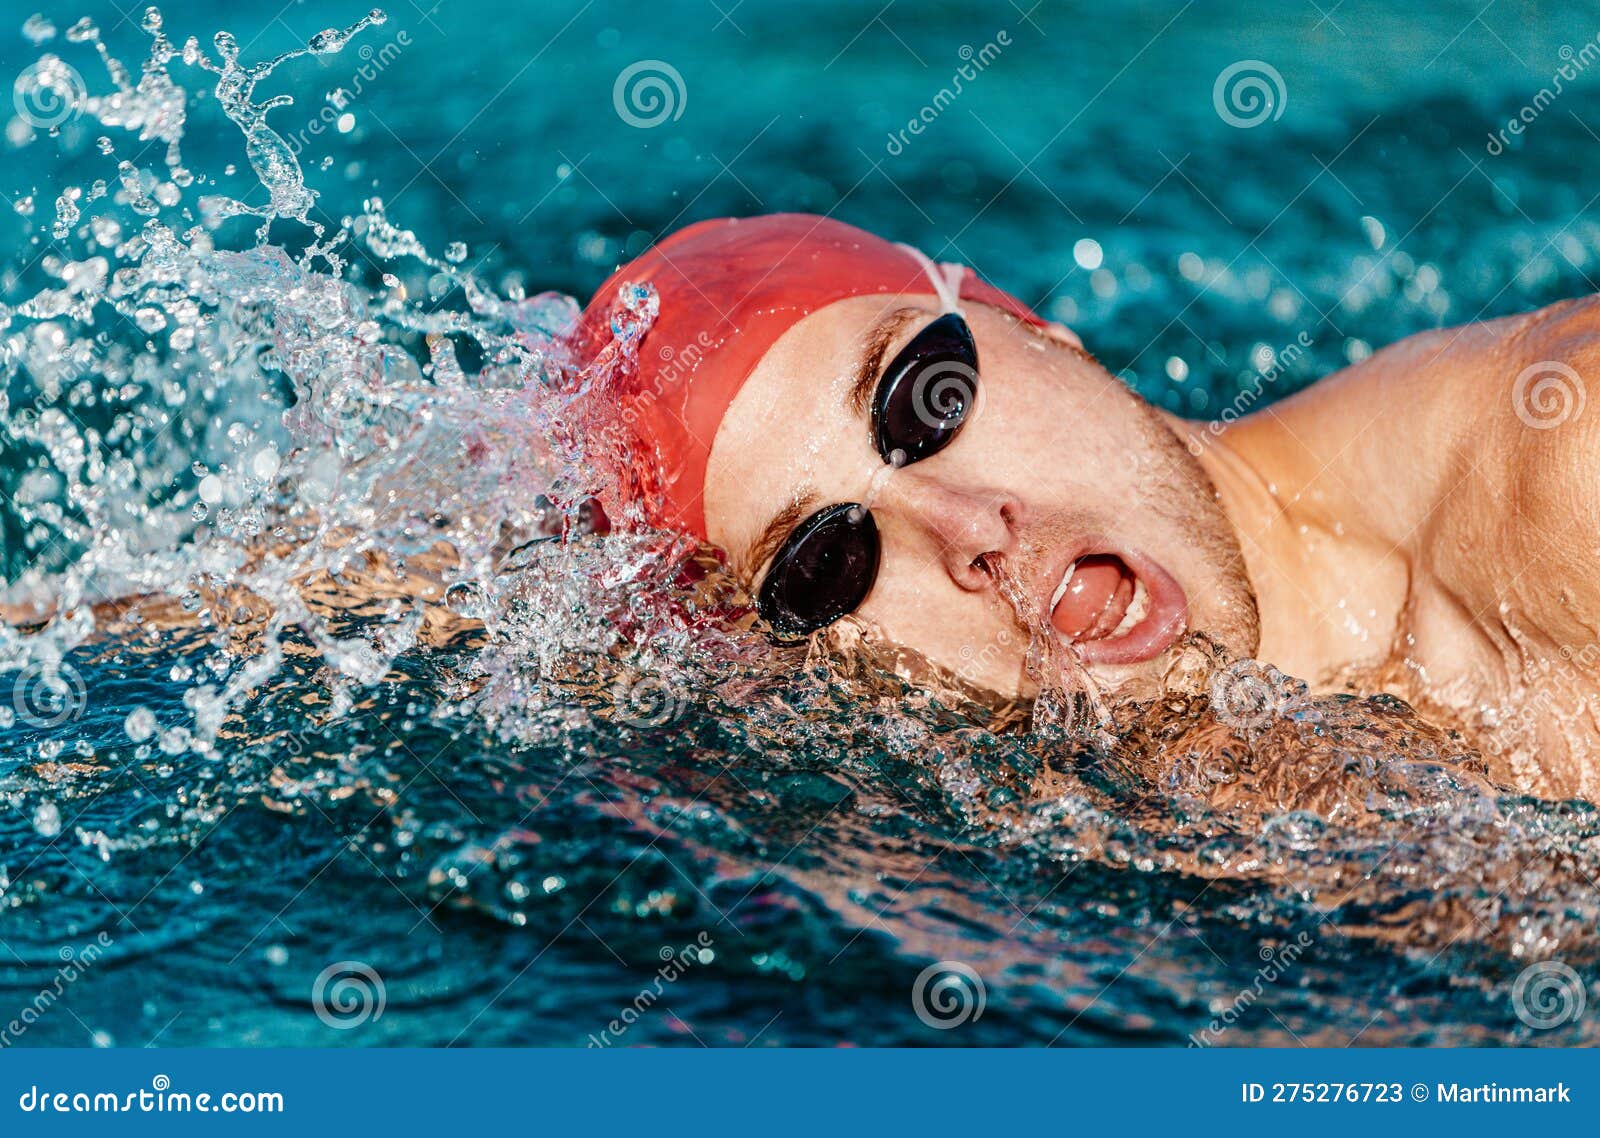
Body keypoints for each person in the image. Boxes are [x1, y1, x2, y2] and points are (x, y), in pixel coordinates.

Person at [570, 212, 1600, 800]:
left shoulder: (1563, 475)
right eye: (820, 564)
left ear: (1037, 331)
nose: (965, 527)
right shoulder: (1047, 840)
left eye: (926, 397)